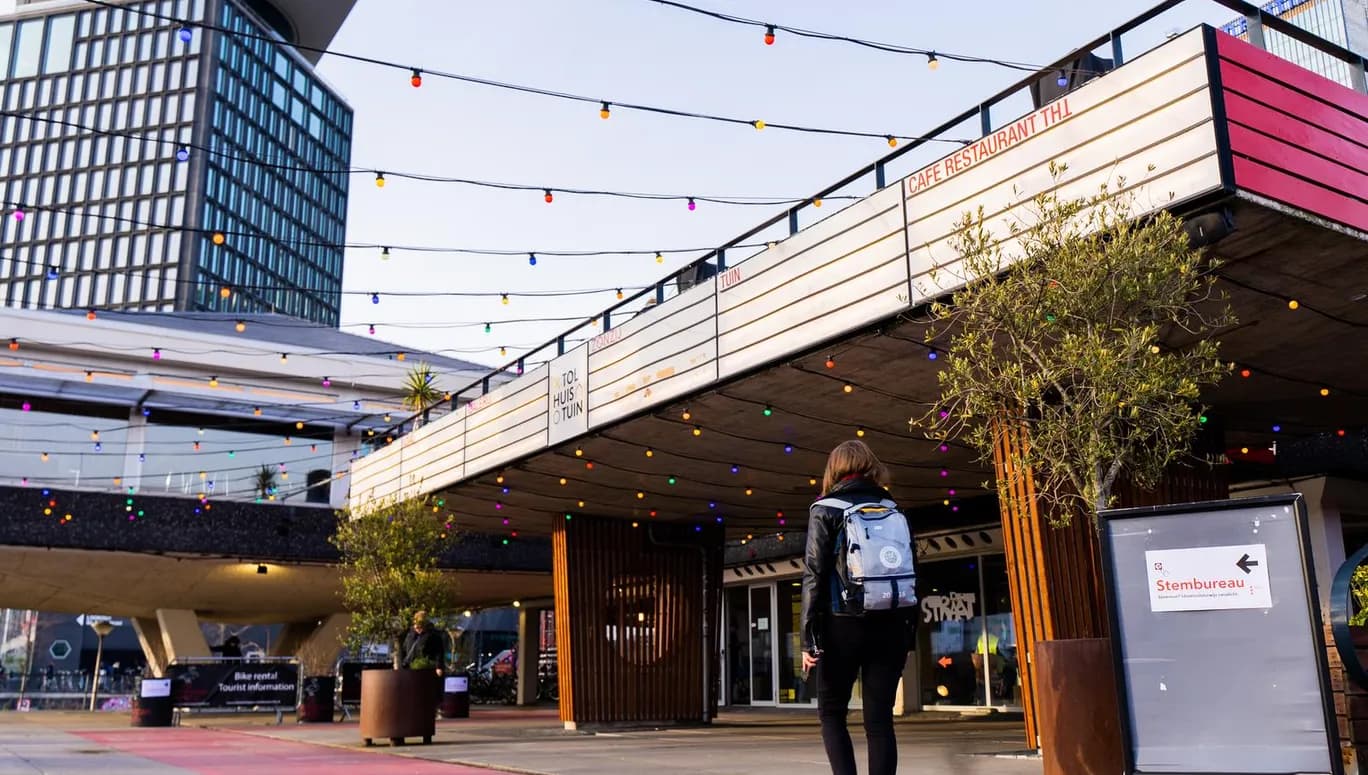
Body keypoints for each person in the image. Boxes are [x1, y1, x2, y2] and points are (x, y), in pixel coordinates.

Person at [801, 440, 916, 775]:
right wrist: (909, 633)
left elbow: (814, 574)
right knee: (879, 721)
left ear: (834, 469)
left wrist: (810, 638)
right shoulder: (893, 507)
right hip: (892, 623)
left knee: (833, 713)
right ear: (870, 465)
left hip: (843, 626)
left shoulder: (825, 508)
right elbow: (912, 570)